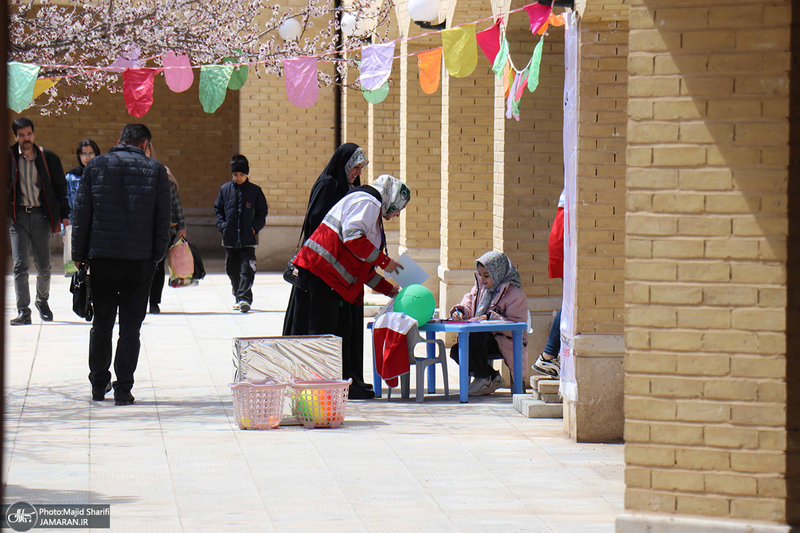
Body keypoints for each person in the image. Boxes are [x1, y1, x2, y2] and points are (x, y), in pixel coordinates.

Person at [72, 123, 171, 405]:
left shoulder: (95, 166)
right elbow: (163, 219)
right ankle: (123, 388)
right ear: (145, 145)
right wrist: (156, 254)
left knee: (101, 323)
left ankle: (98, 384)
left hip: (102, 257)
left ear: (119, 141)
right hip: (139, 260)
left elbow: (82, 214)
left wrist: (79, 253)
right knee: (130, 326)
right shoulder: (156, 170)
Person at [289, 174, 409, 399]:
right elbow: (353, 239)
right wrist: (385, 262)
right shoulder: (369, 202)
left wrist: (390, 290)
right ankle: (322, 387)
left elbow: (361, 269)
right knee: (325, 331)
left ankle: (344, 383)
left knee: (344, 329)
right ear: (392, 199)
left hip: (332, 277)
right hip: (322, 273)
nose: (397, 214)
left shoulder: (370, 207)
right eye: (398, 208)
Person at [282, 143, 370, 387]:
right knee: (318, 324)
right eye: (354, 167)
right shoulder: (329, 185)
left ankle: (347, 377)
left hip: (341, 272)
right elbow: (318, 224)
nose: (356, 172)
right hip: (321, 270)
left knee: (344, 325)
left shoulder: (351, 188)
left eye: (360, 168)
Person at [7, 117, 70, 325]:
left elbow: (61, 188)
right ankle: (23, 310)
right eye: (22, 135)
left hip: (41, 216)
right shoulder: (8, 157)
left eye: (29, 134)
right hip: (18, 218)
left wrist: (65, 216)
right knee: (20, 265)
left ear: (34, 133)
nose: (26, 138)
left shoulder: (48, 158)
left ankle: (42, 301)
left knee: (44, 265)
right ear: (16, 137)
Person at [449, 251, 529, 396]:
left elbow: (516, 325)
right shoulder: (480, 288)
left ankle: (484, 378)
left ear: (498, 273)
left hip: (505, 340)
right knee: (457, 351)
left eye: (486, 275)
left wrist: (489, 317)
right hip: (481, 340)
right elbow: (467, 304)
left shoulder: (515, 295)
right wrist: (460, 311)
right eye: (480, 274)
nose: (482, 279)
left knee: (476, 335)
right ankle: (490, 377)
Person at [213, 154, 268, 313]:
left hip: (248, 238)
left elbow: (262, 212)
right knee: (232, 269)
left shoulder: (255, 191)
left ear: (247, 174)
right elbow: (218, 210)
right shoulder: (225, 190)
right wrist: (223, 226)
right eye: (235, 174)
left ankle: (245, 298)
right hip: (230, 237)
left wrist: (254, 228)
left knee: (247, 268)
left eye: (242, 175)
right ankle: (238, 296)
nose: (238, 178)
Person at [145, 141, 186, 314]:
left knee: (157, 265)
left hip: (163, 229)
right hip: (139, 229)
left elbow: (175, 201)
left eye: (146, 150)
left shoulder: (162, 172)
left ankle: (154, 301)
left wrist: (182, 225)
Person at [532, 189, 565, 378]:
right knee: (571, 305)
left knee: (571, 304)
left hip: (563, 238)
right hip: (566, 240)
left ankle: (550, 355)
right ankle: (548, 355)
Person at [65, 139, 101, 223]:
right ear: (79, 156)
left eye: (91, 153)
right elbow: (67, 206)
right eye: (84, 154)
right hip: (77, 222)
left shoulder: (102, 175)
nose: (87, 157)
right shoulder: (71, 177)